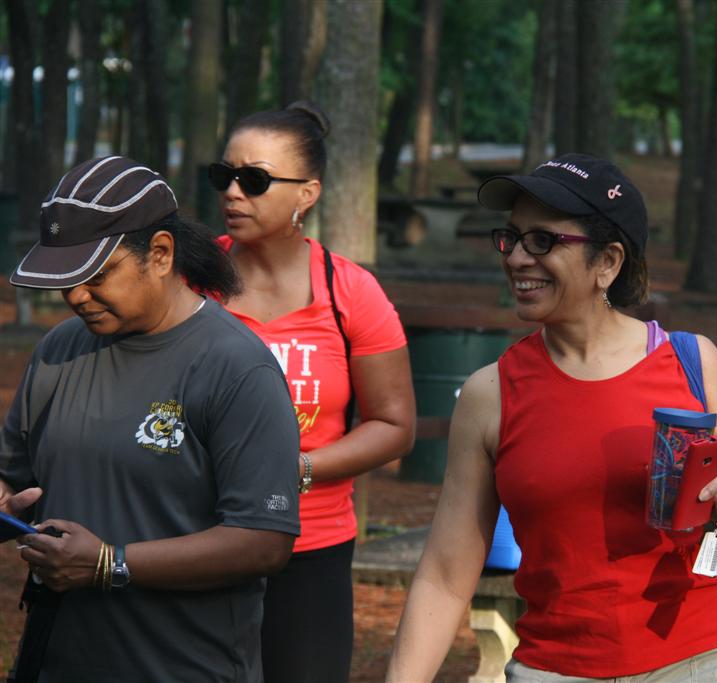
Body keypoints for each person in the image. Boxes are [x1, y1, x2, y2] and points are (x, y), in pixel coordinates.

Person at [387, 153, 717, 682]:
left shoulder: (693, 362)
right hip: (556, 669)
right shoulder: (491, 394)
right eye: (512, 238)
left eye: (543, 241)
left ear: (608, 263)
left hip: (707, 660)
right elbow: (444, 575)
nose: (517, 258)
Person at [0, 155, 301, 682]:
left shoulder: (236, 368)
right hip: (57, 660)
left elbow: (263, 540)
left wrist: (109, 563)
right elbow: (13, 475)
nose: (76, 296)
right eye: (66, 279)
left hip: (183, 666)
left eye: (97, 274)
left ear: (160, 254)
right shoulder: (59, 350)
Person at [210, 101, 416, 683]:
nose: (233, 192)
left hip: (311, 545)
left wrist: (296, 468)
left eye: (254, 180)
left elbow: (394, 425)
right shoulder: (190, 281)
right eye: (224, 175)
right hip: (196, 540)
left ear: (307, 193)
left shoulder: (350, 292)